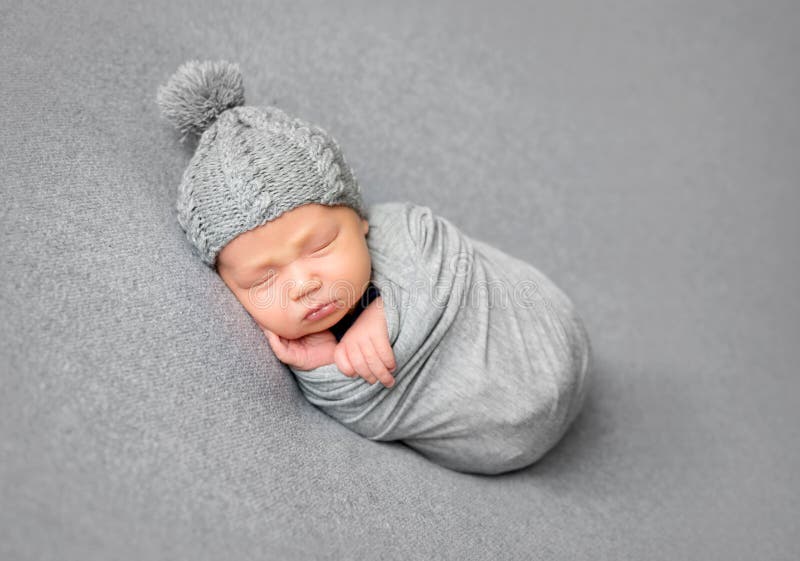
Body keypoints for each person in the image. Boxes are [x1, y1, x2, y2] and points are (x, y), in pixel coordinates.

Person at [156, 60, 592, 475]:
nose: (304, 283)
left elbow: (438, 250)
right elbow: (373, 416)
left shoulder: (403, 230)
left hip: (548, 337)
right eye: (263, 279)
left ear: (360, 219)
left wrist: (378, 310)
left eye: (322, 245)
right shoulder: (306, 354)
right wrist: (325, 366)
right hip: (495, 445)